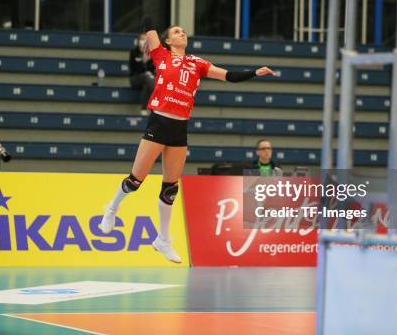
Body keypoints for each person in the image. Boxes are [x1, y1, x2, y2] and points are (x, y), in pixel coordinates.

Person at [100, 20, 275, 262]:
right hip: (158, 122)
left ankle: (163, 240)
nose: (182, 33)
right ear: (168, 41)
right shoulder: (160, 55)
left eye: (183, 31)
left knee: (170, 188)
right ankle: (112, 209)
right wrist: (149, 36)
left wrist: (255, 72)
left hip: (180, 127)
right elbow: (148, 23)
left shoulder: (197, 63)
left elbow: (230, 76)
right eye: (176, 32)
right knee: (135, 180)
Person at [129, 33, 156, 116]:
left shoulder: (152, 53)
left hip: (148, 80)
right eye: (142, 39)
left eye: (145, 39)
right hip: (135, 79)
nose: (143, 41)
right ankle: (156, 103)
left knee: (147, 84)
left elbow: (153, 70)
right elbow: (133, 69)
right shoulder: (134, 52)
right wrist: (142, 61)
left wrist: (148, 61)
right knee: (147, 78)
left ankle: (144, 108)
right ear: (138, 41)